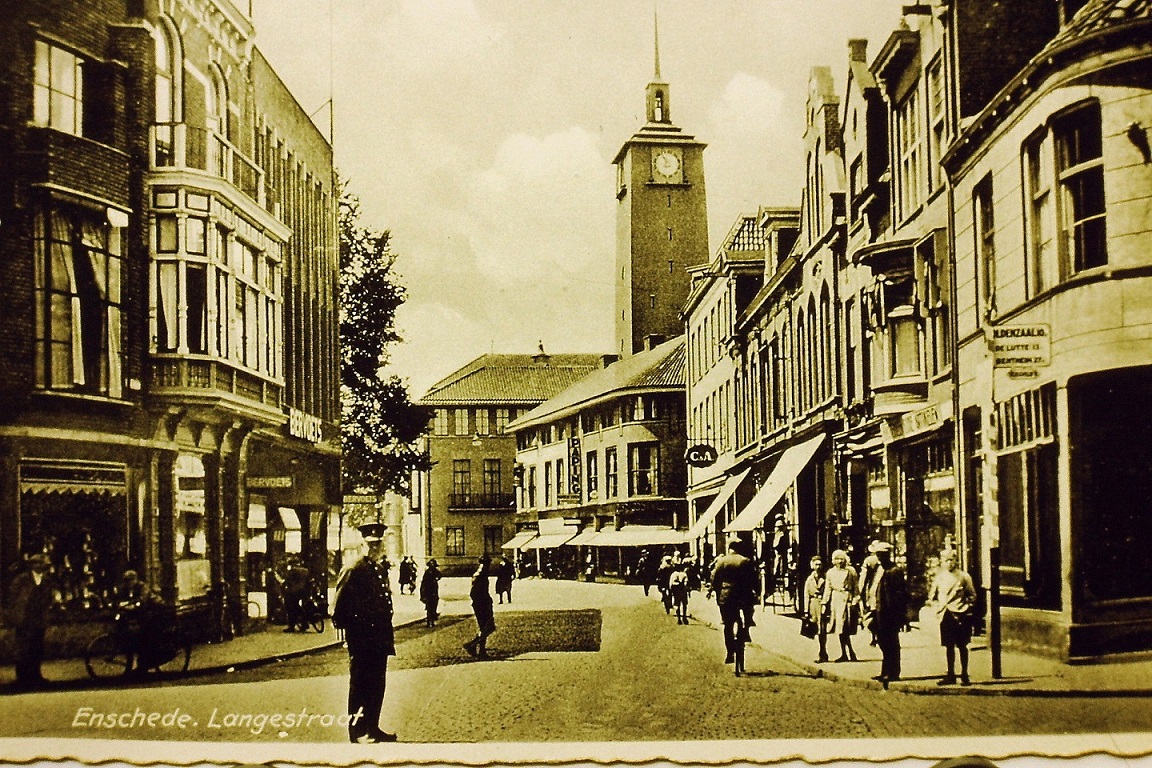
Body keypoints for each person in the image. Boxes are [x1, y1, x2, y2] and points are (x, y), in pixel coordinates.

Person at [331, 523, 397, 743]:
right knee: (360, 685)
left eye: (378, 544)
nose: (375, 548)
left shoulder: (378, 569)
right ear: (363, 544)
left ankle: (372, 727)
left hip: (379, 638)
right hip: (362, 639)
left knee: (377, 684)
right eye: (371, 544)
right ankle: (357, 732)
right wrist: (354, 631)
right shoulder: (353, 569)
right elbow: (338, 608)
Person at [929, 549, 977, 686]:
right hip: (946, 614)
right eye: (946, 560)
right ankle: (951, 674)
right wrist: (937, 607)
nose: (949, 563)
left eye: (951, 560)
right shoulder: (940, 577)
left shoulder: (964, 576)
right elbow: (932, 595)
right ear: (942, 562)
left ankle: (964, 674)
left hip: (961, 614)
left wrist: (966, 608)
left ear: (956, 561)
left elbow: (972, 595)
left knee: (962, 646)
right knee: (949, 646)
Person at [708, 540, 758, 673]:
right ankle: (746, 628)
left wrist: (715, 590)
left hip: (727, 596)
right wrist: (757, 592)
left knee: (728, 624)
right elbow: (753, 578)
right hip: (743, 595)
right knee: (748, 611)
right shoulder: (745, 561)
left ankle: (730, 652)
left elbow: (714, 578)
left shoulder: (722, 561)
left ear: (729, 548)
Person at [8, 554, 55, 688]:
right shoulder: (22, 579)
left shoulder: (46, 580)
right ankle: (23, 678)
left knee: (37, 648)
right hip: (25, 619)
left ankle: (36, 676)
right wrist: (17, 613)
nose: (44, 567)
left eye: (45, 565)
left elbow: (48, 597)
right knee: (23, 649)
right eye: (41, 564)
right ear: (33, 565)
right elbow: (13, 597)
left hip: (39, 619)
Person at [867, 540, 908, 688]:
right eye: (878, 555)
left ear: (887, 555)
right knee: (883, 641)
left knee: (891, 642)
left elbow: (900, 594)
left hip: (890, 612)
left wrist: (898, 613)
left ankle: (893, 672)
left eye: (882, 555)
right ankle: (885, 670)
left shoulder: (894, 571)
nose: (879, 558)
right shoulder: (880, 569)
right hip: (879, 610)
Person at [821, 549, 859, 662]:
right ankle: (848, 653)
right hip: (836, 600)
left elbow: (856, 588)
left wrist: (855, 600)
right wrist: (824, 603)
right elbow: (827, 589)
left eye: (841, 559)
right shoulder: (830, 573)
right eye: (837, 559)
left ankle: (849, 653)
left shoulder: (851, 571)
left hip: (847, 600)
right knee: (840, 628)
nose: (839, 561)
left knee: (844, 627)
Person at [463, 555, 496, 659]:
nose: (488, 566)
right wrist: (483, 601)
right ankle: (473, 646)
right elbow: (473, 593)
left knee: (486, 627)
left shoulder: (482, 574)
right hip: (481, 604)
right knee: (487, 627)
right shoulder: (479, 575)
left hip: (483, 603)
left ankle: (479, 650)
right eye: (487, 564)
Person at [802, 555, 829, 663]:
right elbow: (806, 595)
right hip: (813, 605)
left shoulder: (825, 578)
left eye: (820, 564)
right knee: (816, 630)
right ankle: (822, 652)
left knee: (822, 630)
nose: (818, 567)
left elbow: (828, 592)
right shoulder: (809, 579)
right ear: (812, 565)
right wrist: (806, 610)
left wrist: (826, 604)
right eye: (816, 564)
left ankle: (823, 652)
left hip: (822, 604)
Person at [283, 558, 310, 632]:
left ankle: (291, 626)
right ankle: (304, 622)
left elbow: (287, 581)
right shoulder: (305, 570)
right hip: (303, 592)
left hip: (293, 592)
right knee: (298, 606)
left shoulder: (292, 571)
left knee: (291, 608)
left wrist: (284, 585)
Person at [419, 559, 441, 627]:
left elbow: (440, 575)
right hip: (428, 591)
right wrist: (423, 594)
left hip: (434, 591)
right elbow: (424, 583)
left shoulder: (435, 571)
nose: (432, 566)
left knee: (434, 605)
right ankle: (429, 621)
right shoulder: (427, 572)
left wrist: (437, 578)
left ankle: (432, 619)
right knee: (429, 607)